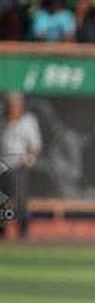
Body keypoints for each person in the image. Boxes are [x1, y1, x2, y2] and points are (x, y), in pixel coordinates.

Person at [0, 93, 42, 239]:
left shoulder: (28, 122)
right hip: (3, 166)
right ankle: (2, 230)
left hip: (19, 166)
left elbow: (36, 146)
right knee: (3, 199)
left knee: (20, 199)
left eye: (13, 105)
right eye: (8, 105)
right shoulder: (3, 121)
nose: (10, 108)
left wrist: (30, 159)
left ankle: (23, 230)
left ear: (20, 106)